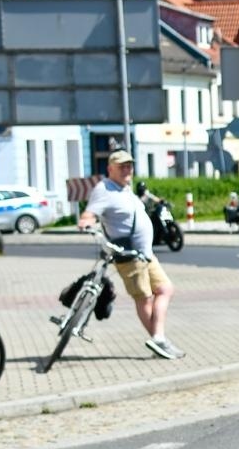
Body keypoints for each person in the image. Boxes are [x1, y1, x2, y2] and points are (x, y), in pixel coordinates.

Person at [76, 150, 184, 359]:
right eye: (122, 166)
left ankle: (158, 337)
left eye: (129, 166)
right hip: (128, 254)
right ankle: (158, 339)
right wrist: (85, 222)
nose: (127, 170)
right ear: (110, 169)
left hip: (145, 253)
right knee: (144, 298)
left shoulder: (125, 188)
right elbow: (90, 213)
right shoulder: (104, 189)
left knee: (165, 289)